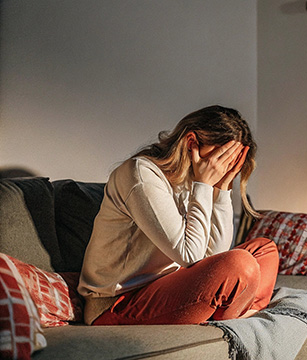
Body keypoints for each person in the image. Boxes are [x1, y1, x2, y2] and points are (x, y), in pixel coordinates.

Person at [78, 105, 279, 326]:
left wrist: (222, 189)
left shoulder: (195, 179)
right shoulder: (141, 174)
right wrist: (204, 185)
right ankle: (237, 316)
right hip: (119, 303)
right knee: (240, 264)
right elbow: (190, 257)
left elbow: (213, 257)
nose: (222, 170)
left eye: (231, 164)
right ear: (191, 143)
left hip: (172, 285)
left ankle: (227, 315)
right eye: (220, 160)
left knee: (264, 250)